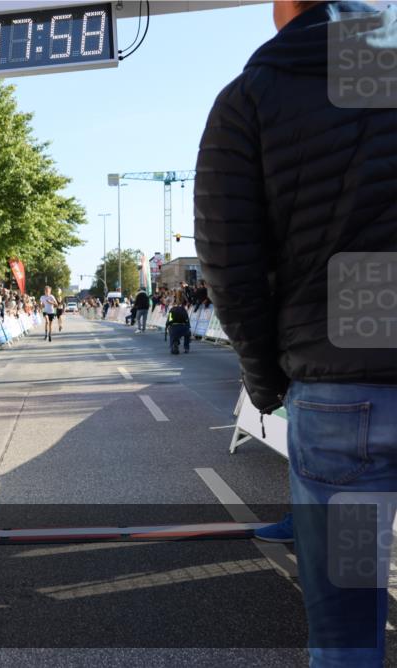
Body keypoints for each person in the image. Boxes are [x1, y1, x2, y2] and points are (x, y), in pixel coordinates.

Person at [195, 3, 397, 665]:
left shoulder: (253, 94)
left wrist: (264, 379)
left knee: (348, 636)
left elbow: (231, 261)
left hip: (345, 397)